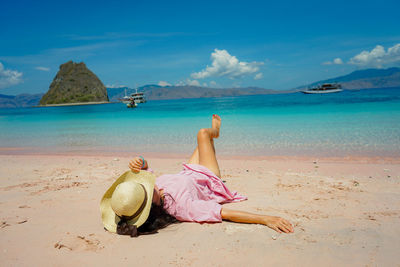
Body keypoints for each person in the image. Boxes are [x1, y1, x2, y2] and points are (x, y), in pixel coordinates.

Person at [100, 115, 294, 237]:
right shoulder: (183, 208)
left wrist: (139, 161)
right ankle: (215, 132)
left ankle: (212, 138)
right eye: (150, 190)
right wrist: (265, 219)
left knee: (203, 142)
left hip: (190, 170)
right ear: (154, 204)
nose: (151, 185)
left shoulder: (148, 191)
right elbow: (223, 213)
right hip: (208, 177)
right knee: (203, 134)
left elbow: (146, 168)